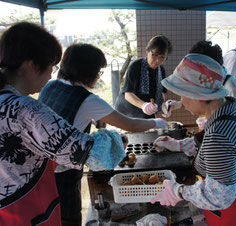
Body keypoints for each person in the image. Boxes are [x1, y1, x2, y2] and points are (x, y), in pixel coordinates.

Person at [0, 22, 127, 225]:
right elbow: (96, 155)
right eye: (51, 66)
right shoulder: (26, 111)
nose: (52, 74)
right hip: (27, 212)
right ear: (32, 65)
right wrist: (119, 138)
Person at [38, 43, 167, 226]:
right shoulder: (86, 99)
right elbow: (129, 124)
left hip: (41, 167)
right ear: (88, 71)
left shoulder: (51, 86)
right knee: (68, 217)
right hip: (64, 171)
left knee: (49, 214)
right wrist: (156, 122)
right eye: (99, 72)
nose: (98, 77)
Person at [151, 54, 236, 226]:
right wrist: (178, 145)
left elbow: (219, 195)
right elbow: (220, 150)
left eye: (183, 95)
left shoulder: (219, 135)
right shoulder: (231, 107)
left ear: (199, 95)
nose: (182, 101)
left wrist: (179, 191)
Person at [115, 35, 178, 118]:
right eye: (154, 55)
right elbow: (128, 94)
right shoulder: (135, 66)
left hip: (146, 112)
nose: (157, 60)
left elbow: (162, 91)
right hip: (127, 111)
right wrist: (144, 105)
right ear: (147, 52)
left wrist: (164, 105)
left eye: (162, 57)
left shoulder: (161, 70)